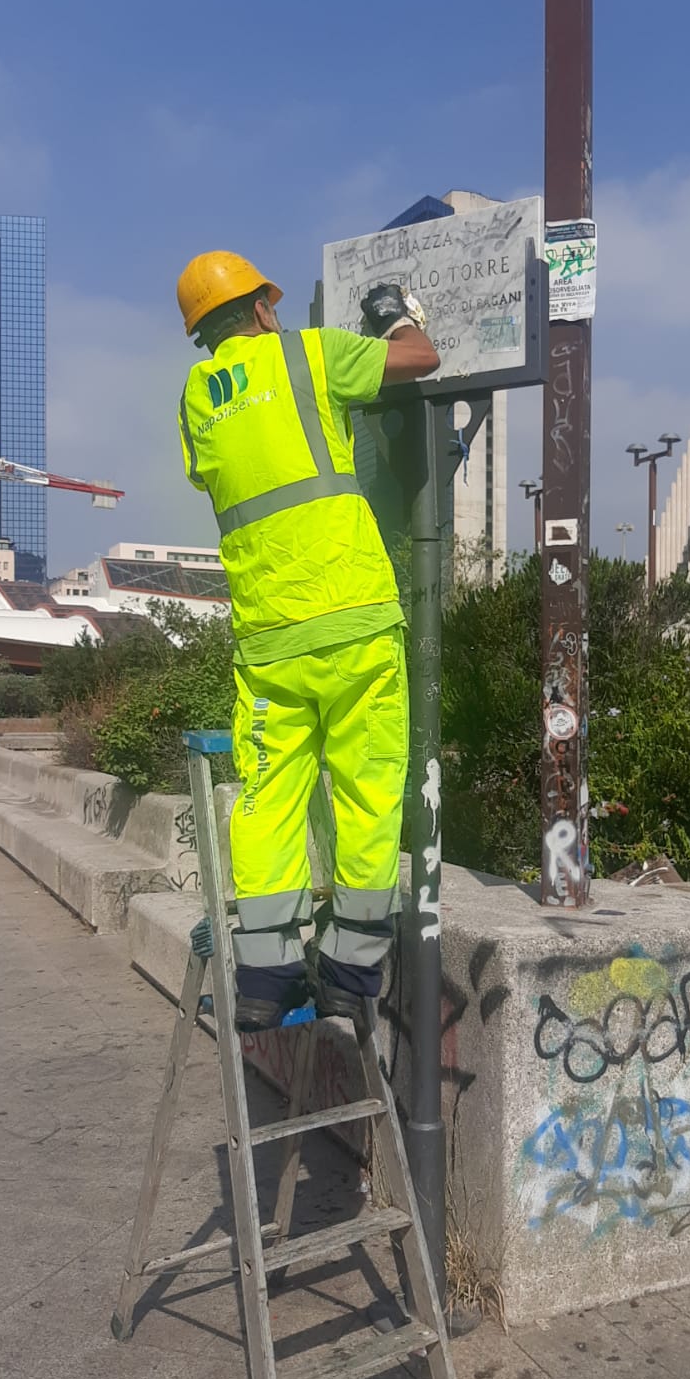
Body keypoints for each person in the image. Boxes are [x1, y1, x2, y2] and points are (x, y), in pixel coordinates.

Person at [176, 251, 438, 1030]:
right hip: (354, 610)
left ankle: (262, 975)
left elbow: (223, 470)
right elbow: (418, 360)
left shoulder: (195, 395)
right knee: (366, 784)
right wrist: (395, 315)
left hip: (267, 634)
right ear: (260, 307)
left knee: (266, 796)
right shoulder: (310, 352)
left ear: (202, 332)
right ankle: (352, 969)